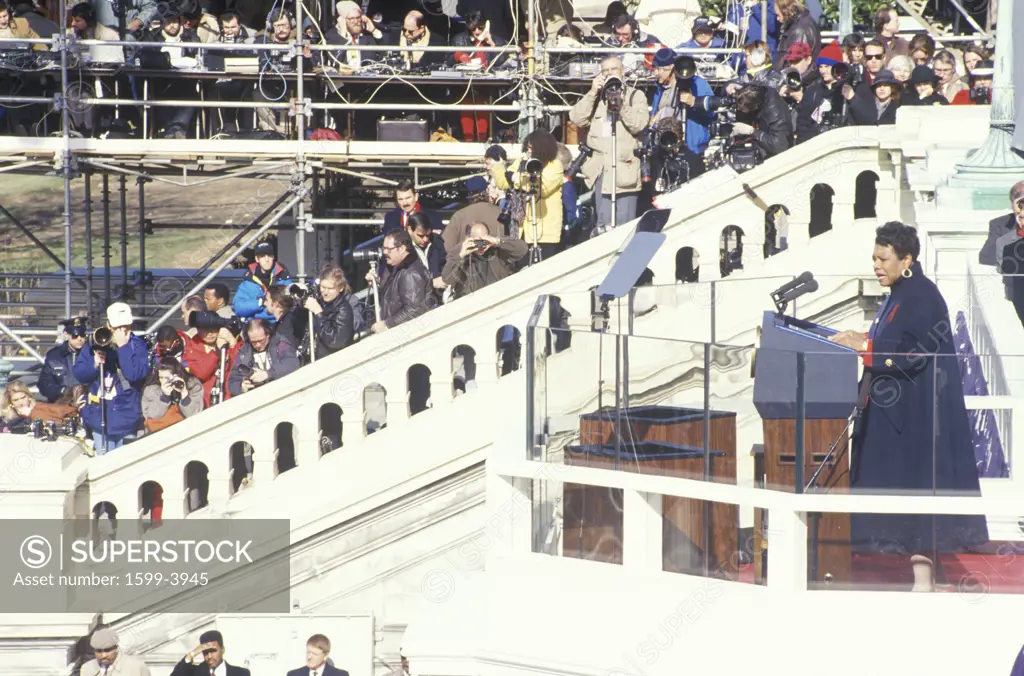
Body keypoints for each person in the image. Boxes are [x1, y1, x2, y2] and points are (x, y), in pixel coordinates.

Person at [829, 222, 988, 589]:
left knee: (918, 495)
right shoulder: (901, 292)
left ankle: (924, 581)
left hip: (917, 419)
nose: (876, 265)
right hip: (898, 413)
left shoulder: (920, 295)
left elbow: (912, 354)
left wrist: (866, 348)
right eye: (874, 258)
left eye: (883, 258)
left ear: (907, 259)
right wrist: (862, 338)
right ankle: (929, 578)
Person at [568, 56, 648, 233]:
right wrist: (592, 93)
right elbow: (576, 118)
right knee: (602, 227)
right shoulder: (596, 98)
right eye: (605, 71)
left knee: (624, 228)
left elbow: (639, 124)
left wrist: (621, 104)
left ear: (623, 71)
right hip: (601, 171)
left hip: (625, 172)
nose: (610, 74)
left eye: (614, 70)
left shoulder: (635, 96)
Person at [73, 302, 150, 453]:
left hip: (126, 416)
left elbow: (135, 374)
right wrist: (94, 364)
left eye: (125, 327)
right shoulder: (94, 342)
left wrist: (123, 348)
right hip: (98, 415)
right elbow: (80, 374)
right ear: (108, 325)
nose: (121, 331)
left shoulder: (137, 345)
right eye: (116, 328)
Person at [489, 128, 564, 260]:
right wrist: (498, 166)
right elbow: (505, 182)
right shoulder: (522, 160)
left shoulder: (555, 165)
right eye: (527, 147)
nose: (529, 151)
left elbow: (541, 189)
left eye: (532, 148)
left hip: (545, 233)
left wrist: (517, 179)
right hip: (522, 229)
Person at [366, 230, 434, 333]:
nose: (384, 252)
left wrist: (387, 324)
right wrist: (377, 283)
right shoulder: (396, 267)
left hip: (405, 336)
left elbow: (414, 309)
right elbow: (394, 294)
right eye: (384, 248)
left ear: (402, 249)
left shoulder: (411, 273)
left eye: (389, 249)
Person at [441, 222, 529, 299]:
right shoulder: (458, 251)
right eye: (478, 241)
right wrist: (461, 256)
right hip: (471, 300)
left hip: (499, 294)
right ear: (469, 238)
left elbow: (522, 250)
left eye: (484, 240)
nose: (481, 245)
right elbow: (447, 279)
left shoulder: (496, 248)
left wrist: (496, 241)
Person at [226, 319, 301, 396]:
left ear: (268, 334)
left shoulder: (279, 343)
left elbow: (292, 362)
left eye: (261, 340)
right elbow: (232, 381)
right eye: (254, 342)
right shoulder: (244, 352)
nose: (258, 345)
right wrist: (242, 387)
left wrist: (268, 374)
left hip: (284, 390)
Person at [301, 263, 355, 360]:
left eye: (330, 289)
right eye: (323, 287)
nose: (325, 292)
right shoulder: (320, 301)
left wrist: (318, 313)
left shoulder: (344, 310)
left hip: (335, 361)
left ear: (341, 288)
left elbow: (335, 341)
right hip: (317, 358)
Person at [141, 357, 204, 433]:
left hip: (187, 431)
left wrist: (184, 394)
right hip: (160, 433)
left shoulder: (192, 385)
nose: (164, 381)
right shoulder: (152, 390)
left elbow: (195, 414)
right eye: (161, 378)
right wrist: (164, 397)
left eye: (167, 378)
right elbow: (151, 416)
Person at [233, 240, 292, 321]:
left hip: (279, 323)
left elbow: (288, 306)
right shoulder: (249, 280)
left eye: (270, 255)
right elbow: (238, 308)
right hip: (256, 325)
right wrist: (260, 302)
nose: (267, 259)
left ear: (273, 257)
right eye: (263, 256)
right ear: (257, 259)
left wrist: (256, 311)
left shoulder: (284, 276)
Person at [38, 316, 87, 403]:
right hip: (61, 404)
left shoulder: (92, 354)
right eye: (75, 335)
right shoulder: (54, 356)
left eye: (82, 335)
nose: (80, 338)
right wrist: (63, 391)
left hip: (87, 403)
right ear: (66, 334)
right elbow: (44, 384)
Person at [170, 630, 250, 676]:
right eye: (205, 652)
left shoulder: (241, 673)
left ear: (222, 649)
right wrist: (191, 654)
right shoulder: (194, 672)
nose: (209, 656)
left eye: (213, 651)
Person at [80, 627, 150, 676]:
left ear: (116, 648)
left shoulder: (136, 667)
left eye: (107, 650)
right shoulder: (87, 669)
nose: (103, 655)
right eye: (99, 651)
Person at [773, 0, 820, 70]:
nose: (777, 18)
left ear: (786, 11)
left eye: (778, 15)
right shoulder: (796, 24)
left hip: (798, 77)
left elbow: (797, 59)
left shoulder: (799, 29)